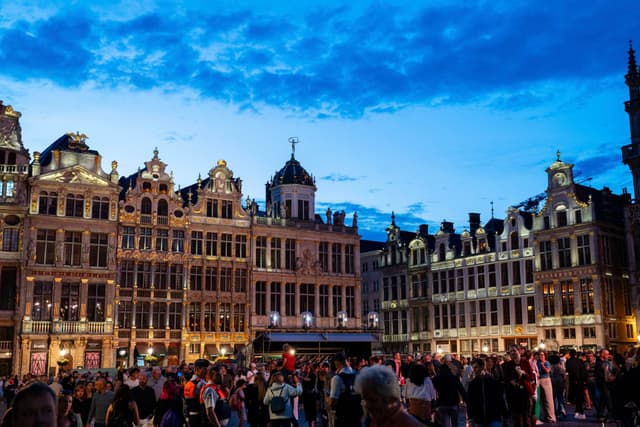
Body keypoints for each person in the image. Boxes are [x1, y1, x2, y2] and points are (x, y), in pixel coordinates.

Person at [355, 364, 422, 427]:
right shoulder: (378, 419)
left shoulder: (407, 424)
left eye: (372, 400)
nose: (367, 405)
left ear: (390, 398)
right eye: (365, 399)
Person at [466, 358, 505, 427]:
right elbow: (470, 402)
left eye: (476, 367)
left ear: (482, 367)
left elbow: (500, 399)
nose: (474, 370)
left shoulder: (493, 381)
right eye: (473, 368)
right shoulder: (472, 384)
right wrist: (470, 418)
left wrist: (505, 415)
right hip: (479, 419)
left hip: (494, 417)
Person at [432, 361, 466, 427]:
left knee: (445, 424)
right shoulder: (454, 378)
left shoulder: (436, 379)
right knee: (455, 423)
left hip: (442, 403)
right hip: (453, 403)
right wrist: (465, 399)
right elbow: (461, 389)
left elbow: (434, 388)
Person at [535, 351, 556, 423]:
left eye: (542, 355)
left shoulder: (547, 362)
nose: (541, 356)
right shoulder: (536, 362)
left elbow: (547, 371)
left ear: (545, 356)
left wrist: (543, 365)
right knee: (541, 400)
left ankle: (551, 417)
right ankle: (544, 416)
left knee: (548, 399)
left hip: (545, 380)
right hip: (538, 380)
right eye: (539, 355)